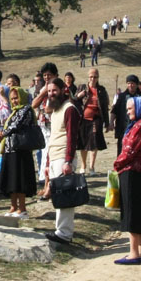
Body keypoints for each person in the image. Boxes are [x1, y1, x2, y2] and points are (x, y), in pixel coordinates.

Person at [112, 96, 141, 264]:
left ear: (139, 108)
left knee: (132, 211)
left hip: (132, 171)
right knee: (139, 212)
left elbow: (130, 150)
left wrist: (116, 164)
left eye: (130, 108)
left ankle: (134, 253)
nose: (127, 111)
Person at [43, 77, 80, 245]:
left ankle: (64, 233)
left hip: (64, 158)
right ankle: (61, 230)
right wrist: (47, 164)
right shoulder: (55, 110)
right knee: (58, 197)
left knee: (65, 197)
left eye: (54, 90)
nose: (51, 94)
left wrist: (68, 161)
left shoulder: (69, 109)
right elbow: (54, 138)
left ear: (63, 89)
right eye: (49, 91)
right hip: (55, 157)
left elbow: (72, 137)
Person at [0, 85, 38, 218]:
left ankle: (22, 208)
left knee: (21, 180)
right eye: (12, 99)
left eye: (16, 98)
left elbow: (17, 125)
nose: (15, 101)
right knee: (12, 180)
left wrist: (3, 133)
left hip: (21, 150)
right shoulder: (14, 111)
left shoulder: (26, 109)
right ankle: (13, 206)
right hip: (10, 150)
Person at [76, 68, 110, 174]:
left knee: (94, 142)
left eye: (95, 77)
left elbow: (104, 107)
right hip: (83, 118)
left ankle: (92, 166)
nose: (93, 79)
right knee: (83, 143)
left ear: (98, 78)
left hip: (96, 118)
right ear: (88, 77)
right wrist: (79, 95)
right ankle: (83, 165)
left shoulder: (101, 90)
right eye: (91, 76)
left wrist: (107, 123)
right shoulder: (82, 87)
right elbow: (74, 99)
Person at [110, 75, 141, 154]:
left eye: (132, 83)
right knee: (122, 149)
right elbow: (114, 111)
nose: (130, 85)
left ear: (137, 84)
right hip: (123, 127)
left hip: (138, 128)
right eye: (128, 83)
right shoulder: (122, 96)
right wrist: (111, 123)